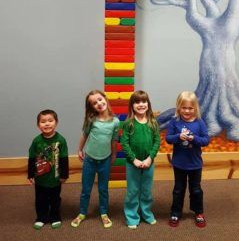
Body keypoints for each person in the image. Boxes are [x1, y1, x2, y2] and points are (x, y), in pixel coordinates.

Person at [71, 90, 119, 229]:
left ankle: (104, 213)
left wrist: (114, 155)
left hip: (105, 160)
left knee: (103, 189)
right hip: (90, 160)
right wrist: (80, 150)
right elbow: (84, 136)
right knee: (86, 189)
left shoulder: (115, 121)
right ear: (91, 107)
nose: (98, 103)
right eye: (94, 103)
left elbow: (114, 140)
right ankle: (82, 213)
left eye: (99, 99)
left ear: (105, 98)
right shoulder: (91, 120)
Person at [166, 91, 209, 228]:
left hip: (195, 164)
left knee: (196, 189)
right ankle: (175, 212)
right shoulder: (175, 121)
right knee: (178, 189)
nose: (187, 111)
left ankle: (198, 212)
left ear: (195, 108)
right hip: (179, 164)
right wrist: (179, 137)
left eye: (190, 108)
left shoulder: (199, 122)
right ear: (179, 107)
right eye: (184, 107)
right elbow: (168, 138)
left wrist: (193, 138)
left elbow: (206, 140)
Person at [121, 90, 160, 229]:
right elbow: (124, 143)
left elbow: (157, 142)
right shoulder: (129, 123)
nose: (141, 104)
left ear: (148, 104)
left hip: (149, 163)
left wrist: (150, 158)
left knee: (146, 190)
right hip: (133, 164)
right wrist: (134, 159)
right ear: (132, 105)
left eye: (143, 101)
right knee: (132, 190)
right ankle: (132, 216)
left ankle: (146, 213)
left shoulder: (153, 123)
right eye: (137, 102)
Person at [28, 109, 69, 230]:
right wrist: (30, 174)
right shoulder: (36, 141)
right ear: (38, 125)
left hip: (55, 178)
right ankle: (41, 217)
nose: (47, 124)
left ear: (56, 123)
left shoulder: (61, 140)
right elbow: (31, 158)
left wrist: (64, 175)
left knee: (55, 199)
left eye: (50, 121)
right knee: (40, 199)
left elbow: (64, 158)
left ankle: (55, 217)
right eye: (43, 121)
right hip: (40, 178)